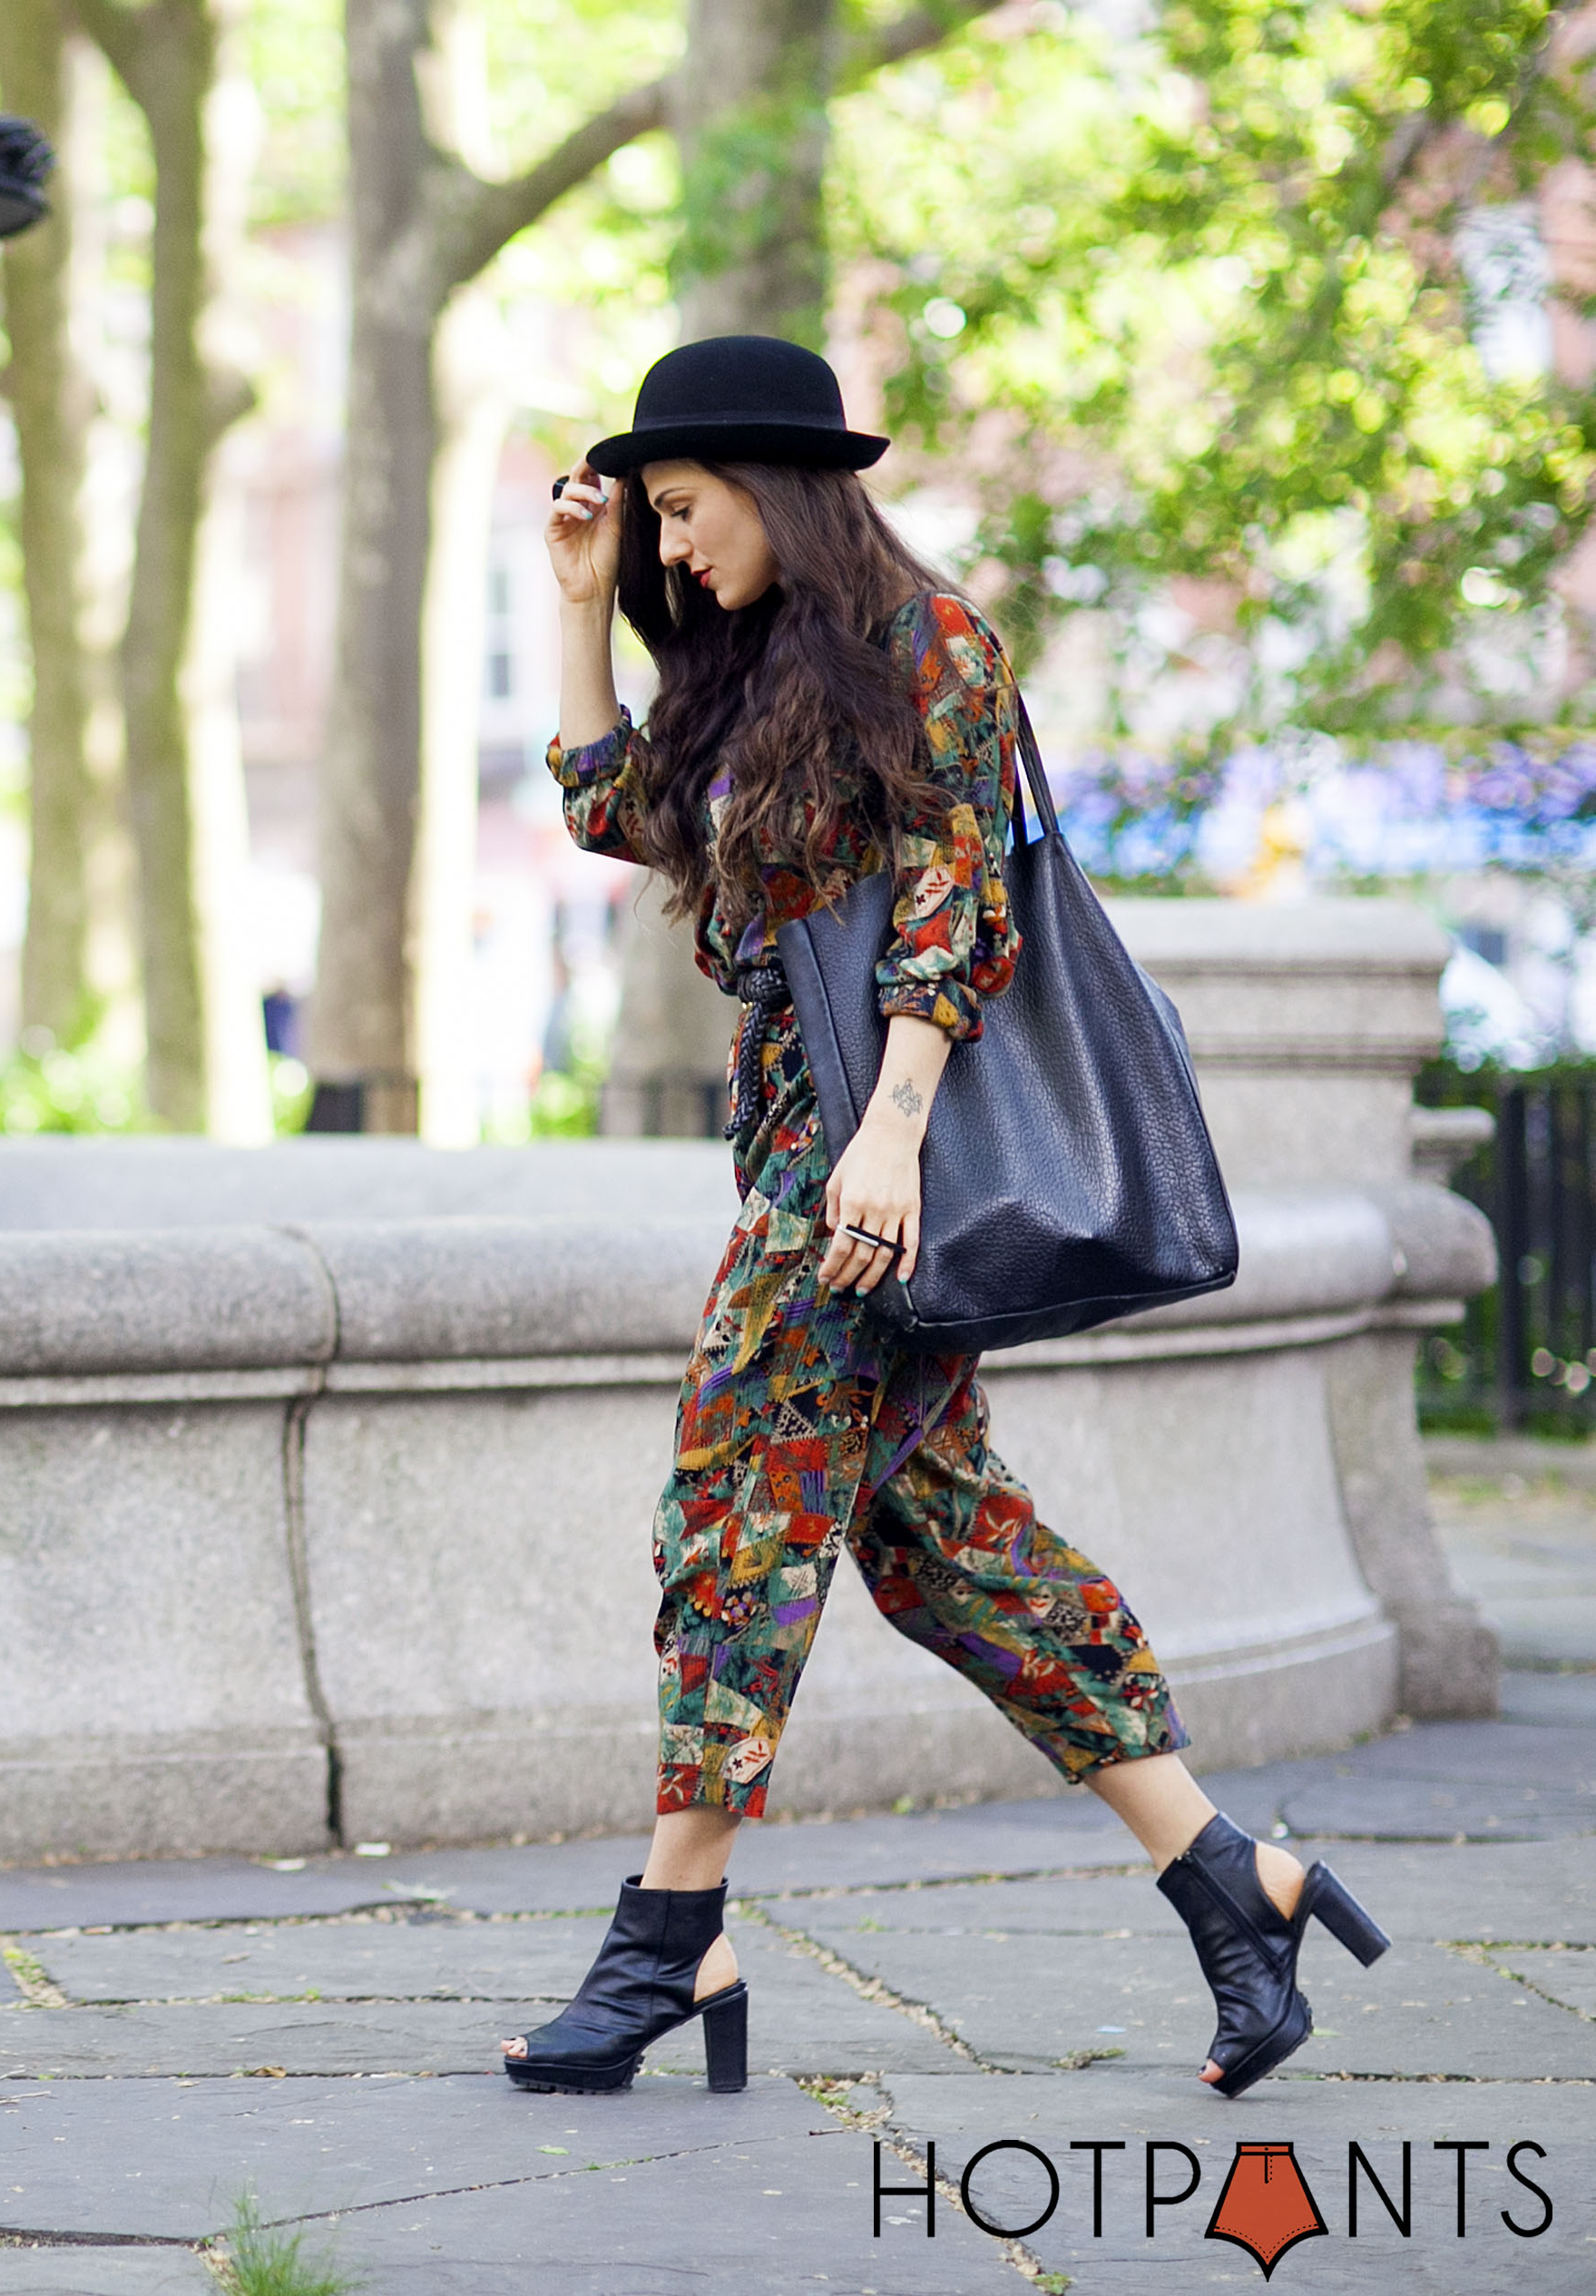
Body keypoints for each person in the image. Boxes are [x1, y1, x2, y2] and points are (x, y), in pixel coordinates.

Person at [503, 336, 1385, 2102]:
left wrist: (889, 1138)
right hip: (791, 1161)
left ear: (776, 485)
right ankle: (1232, 1882)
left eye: (681, 513)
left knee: (733, 1511)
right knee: (937, 1550)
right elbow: (617, 807)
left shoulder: (932, 648)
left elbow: (950, 903)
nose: (672, 548)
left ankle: (668, 1933)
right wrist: (577, 598)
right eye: (655, 524)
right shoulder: (755, 675)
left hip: (865, 1174)